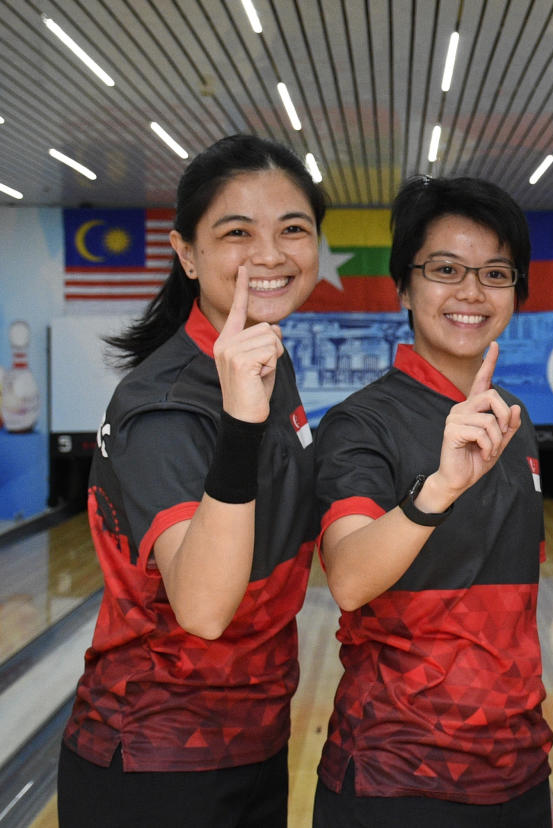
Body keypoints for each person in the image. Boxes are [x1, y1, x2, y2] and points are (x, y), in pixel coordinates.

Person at [59, 134, 325, 827]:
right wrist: (239, 421)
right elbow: (204, 608)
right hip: (156, 764)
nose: (270, 255)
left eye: (292, 229)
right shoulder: (167, 407)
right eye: (237, 233)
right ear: (186, 253)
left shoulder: (266, 359)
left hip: (251, 742)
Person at [311, 176, 553, 827]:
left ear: (517, 293)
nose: (471, 292)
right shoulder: (360, 424)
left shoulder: (515, 418)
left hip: (518, 770)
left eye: (495, 273)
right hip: (396, 779)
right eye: (446, 269)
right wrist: (439, 489)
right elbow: (351, 578)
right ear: (405, 287)